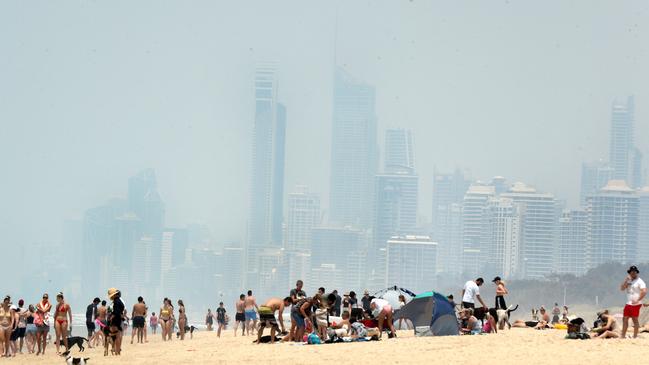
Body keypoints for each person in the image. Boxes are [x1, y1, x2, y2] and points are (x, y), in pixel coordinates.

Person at [621, 265, 647, 338]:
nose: (633, 273)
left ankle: (635, 336)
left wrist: (638, 300)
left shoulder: (640, 281)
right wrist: (626, 280)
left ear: (636, 272)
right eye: (631, 272)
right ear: (629, 273)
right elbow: (622, 288)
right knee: (625, 318)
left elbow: (644, 291)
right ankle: (623, 335)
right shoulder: (629, 280)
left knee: (634, 319)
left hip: (636, 303)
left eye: (634, 272)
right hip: (628, 302)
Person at [108, 288, 125, 355]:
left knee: (114, 336)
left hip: (115, 320)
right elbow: (121, 311)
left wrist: (112, 316)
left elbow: (116, 312)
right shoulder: (120, 301)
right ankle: (117, 351)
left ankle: (116, 350)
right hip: (119, 319)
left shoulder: (116, 302)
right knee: (118, 336)